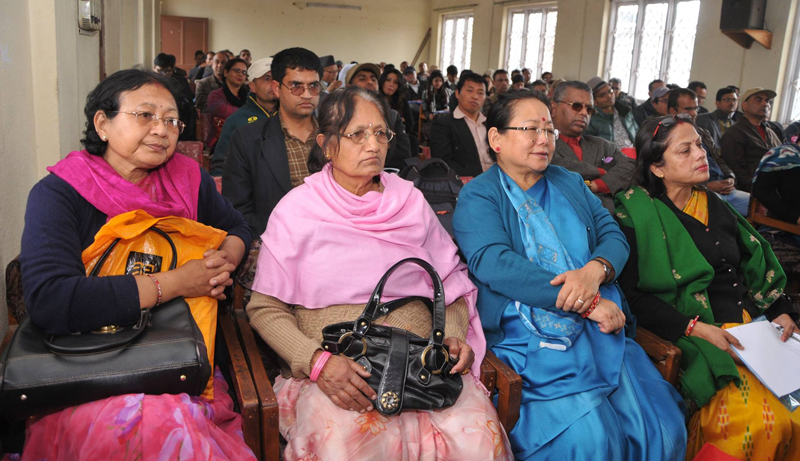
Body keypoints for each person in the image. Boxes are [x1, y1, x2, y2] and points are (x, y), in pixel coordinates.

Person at [247, 86, 513, 461]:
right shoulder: (297, 211)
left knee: (477, 440)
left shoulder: (409, 201)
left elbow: (449, 286)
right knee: (347, 443)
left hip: (423, 364)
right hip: (341, 369)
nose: (372, 144)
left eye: (380, 133)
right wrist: (317, 363)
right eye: (357, 134)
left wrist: (452, 337)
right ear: (326, 143)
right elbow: (265, 309)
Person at [16, 68, 254, 460]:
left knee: (169, 420)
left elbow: (237, 227)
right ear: (103, 123)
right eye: (145, 115)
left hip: (177, 357)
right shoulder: (61, 192)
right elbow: (52, 300)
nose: (162, 130)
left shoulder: (186, 178)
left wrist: (222, 260)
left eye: (172, 120)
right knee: (144, 424)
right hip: (85, 366)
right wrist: (177, 283)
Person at [452, 90, 686, 461]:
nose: (543, 139)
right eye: (530, 129)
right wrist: (587, 302)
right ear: (495, 139)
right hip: (527, 337)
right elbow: (494, 262)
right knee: (590, 440)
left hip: (602, 329)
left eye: (548, 130)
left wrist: (596, 270)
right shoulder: (479, 196)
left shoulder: (568, 181)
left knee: (662, 429)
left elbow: (611, 235)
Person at [615, 114, 800, 461]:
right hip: (693, 332)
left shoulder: (713, 203)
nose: (700, 154)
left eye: (699, 144)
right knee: (761, 424)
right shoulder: (635, 215)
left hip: (751, 329)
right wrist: (696, 329)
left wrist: (780, 310)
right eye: (685, 150)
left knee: (798, 412)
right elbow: (631, 297)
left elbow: (752, 258)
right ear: (657, 167)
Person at [550, 81, 636, 212]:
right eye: (577, 106)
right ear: (553, 108)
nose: (584, 113)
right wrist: (599, 171)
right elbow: (555, 168)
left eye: (589, 109)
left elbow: (631, 166)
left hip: (609, 219)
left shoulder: (601, 145)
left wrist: (597, 185)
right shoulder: (542, 144)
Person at [667, 88, 749, 216]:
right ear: (673, 111)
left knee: (760, 206)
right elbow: (673, 173)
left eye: (696, 108)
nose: (694, 113)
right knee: (722, 214)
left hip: (724, 189)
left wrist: (730, 177)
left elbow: (717, 159)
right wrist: (707, 185)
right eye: (688, 109)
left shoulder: (702, 132)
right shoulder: (666, 137)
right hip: (698, 190)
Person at [211, 57, 278, 176]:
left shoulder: (290, 117)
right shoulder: (237, 120)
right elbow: (220, 165)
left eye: (277, 79)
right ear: (253, 86)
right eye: (267, 79)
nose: (273, 84)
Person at [343, 63, 413, 170]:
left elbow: (404, 153)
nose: (370, 82)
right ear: (348, 86)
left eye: (373, 79)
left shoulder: (392, 116)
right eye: (362, 79)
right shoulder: (339, 115)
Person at [721, 87, 782, 191]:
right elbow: (735, 169)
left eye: (767, 101)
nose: (765, 104)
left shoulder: (771, 132)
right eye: (759, 100)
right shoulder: (734, 133)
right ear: (745, 106)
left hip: (778, 184)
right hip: (754, 188)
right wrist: (757, 187)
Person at [430, 71, 490, 176]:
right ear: (457, 93)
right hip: (468, 182)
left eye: (480, 93)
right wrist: (482, 173)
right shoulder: (443, 125)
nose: (475, 96)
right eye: (470, 91)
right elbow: (443, 164)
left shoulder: (491, 124)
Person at [206, 57, 249, 149]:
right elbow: (224, 111)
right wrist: (249, 114)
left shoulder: (249, 96)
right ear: (226, 72)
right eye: (237, 70)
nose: (240, 74)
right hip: (221, 139)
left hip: (247, 137)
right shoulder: (215, 95)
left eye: (244, 72)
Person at [584, 76, 637, 150]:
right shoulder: (590, 119)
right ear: (594, 101)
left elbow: (638, 134)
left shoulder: (625, 111)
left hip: (634, 154)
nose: (609, 96)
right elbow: (591, 148)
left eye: (610, 91)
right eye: (602, 95)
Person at [153, 52, 197, 141]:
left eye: (167, 71)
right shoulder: (148, 82)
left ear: (173, 70)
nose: (163, 74)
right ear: (154, 68)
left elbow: (188, 103)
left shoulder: (179, 82)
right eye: (160, 70)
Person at [696, 86, 740, 151]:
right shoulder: (702, 119)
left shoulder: (736, 124)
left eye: (734, 100)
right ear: (717, 103)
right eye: (727, 100)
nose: (732, 103)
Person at [378, 67, 415, 138]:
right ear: (382, 81)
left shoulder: (402, 100)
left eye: (396, 82)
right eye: (388, 80)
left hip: (397, 136)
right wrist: (400, 121)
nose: (391, 84)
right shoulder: (374, 99)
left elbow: (409, 125)